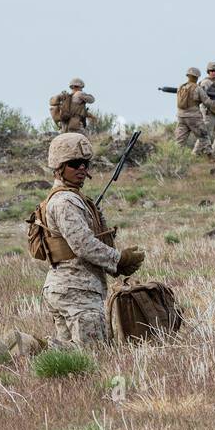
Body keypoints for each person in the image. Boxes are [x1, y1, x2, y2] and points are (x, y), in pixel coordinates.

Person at [38, 132, 144, 344]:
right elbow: (83, 245)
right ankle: (24, 348)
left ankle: (29, 351)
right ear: (58, 168)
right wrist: (118, 260)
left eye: (85, 164)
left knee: (71, 361)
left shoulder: (74, 199)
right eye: (74, 164)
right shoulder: (64, 202)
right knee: (94, 357)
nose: (82, 169)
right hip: (76, 292)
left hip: (71, 289)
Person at [173, 67, 215, 155]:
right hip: (194, 118)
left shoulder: (181, 87)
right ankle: (210, 157)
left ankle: (175, 158)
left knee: (179, 141)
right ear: (197, 77)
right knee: (204, 137)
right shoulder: (198, 88)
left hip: (181, 117)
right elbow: (207, 102)